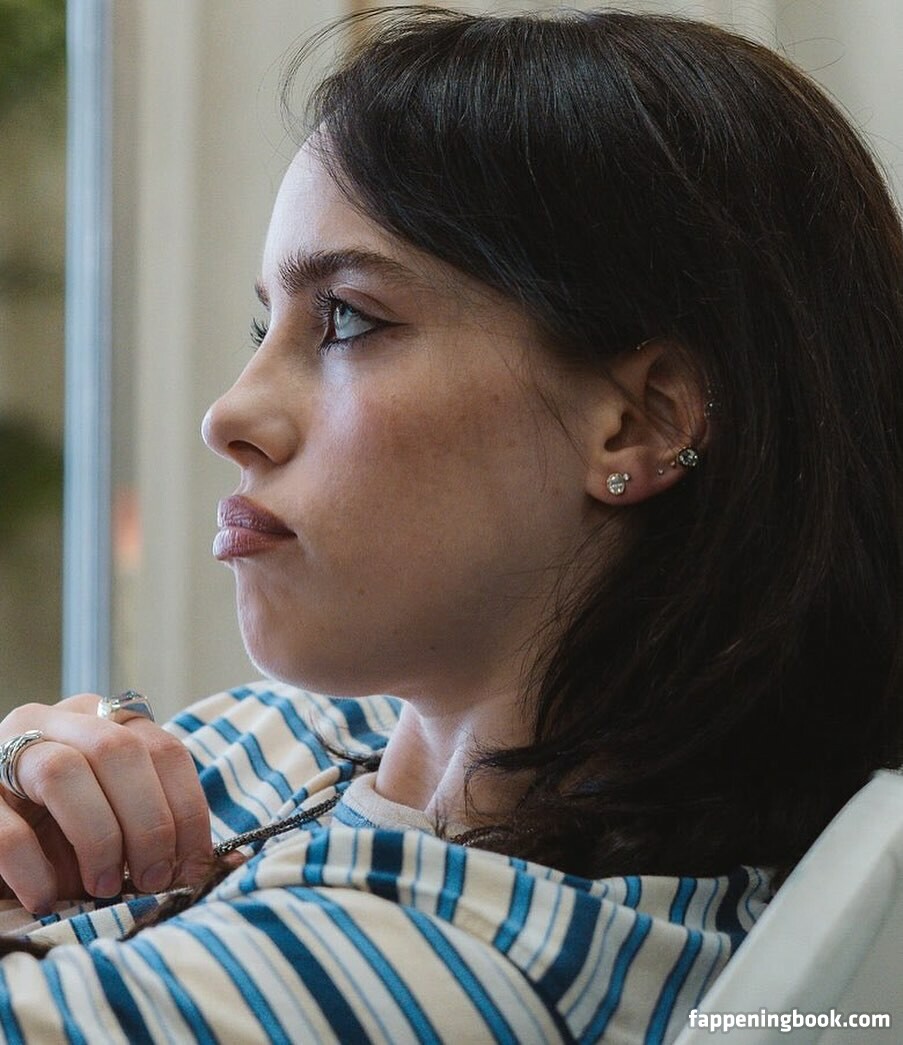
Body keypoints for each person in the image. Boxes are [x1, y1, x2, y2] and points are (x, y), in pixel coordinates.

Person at [0, 7, 901, 1042]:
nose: (229, 415)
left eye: (347, 318)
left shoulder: (443, 970)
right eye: (265, 324)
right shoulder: (311, 735)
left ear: (639, 422)